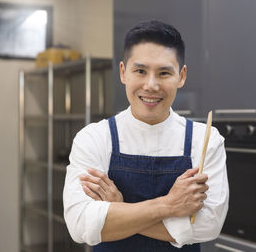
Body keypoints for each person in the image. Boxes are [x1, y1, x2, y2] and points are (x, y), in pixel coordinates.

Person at [63, 20, 229, 251]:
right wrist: (168, 205)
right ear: (123, 72)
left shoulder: (206, 139)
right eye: (140, 71)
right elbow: (80, 225)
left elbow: (208, 226)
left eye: (163, 73)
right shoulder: (94, 137)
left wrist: (120, 209)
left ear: (181, 76)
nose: (151, 85)